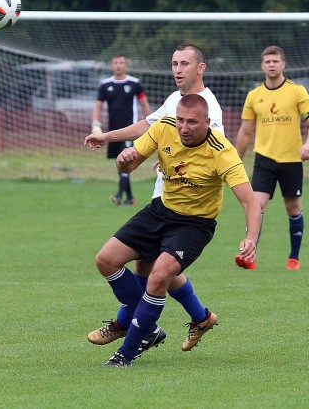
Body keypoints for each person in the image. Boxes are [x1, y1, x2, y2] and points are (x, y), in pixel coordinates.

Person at [92, 94, 262, 367]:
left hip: (194, 224)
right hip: (160, 211)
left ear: (207, 122)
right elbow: (129, 165)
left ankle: (126, 353)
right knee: (105, 260)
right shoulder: (164, 127)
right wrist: (123, 160)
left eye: (192, 122)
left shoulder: (222, 151)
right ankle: (146, 325)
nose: (183, 127)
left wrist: (251, 237)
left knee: (159, 276)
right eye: (180, 120)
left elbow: (250, 202)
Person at [85, 44, 224, 353]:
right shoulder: (176, 99)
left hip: (187, 203)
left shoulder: (209, 108)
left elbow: (210, 149)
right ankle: (198, 317)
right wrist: (108, 136)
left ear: (201, 68)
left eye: (184, 63)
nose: (178, 69)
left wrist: (173, 159)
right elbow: (149, 125)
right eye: (174, 63)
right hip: (163, 195)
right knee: (152, 269)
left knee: (154, 270)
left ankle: (131, 324)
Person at [235, 45, 309, 270]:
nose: (271, 65)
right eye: (268, 61)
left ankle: (294, 257)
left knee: (292, 208)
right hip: (264, 159)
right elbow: (245, 132)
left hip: (292, 159)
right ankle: (249, 256)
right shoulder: (254, 95)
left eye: (275, 61)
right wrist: (234, 161)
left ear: (283, 64)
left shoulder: (297, 91)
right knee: (256, 206)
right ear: (262, 65)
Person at [92, 54, 152, 205]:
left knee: (126, 159)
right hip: (112, 132)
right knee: (120, 162)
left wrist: (153, 125)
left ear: (126, 65)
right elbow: (98, 105)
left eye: (121, 63)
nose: (118, 65)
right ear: (111, 66)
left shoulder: (134, 83)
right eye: (116, 63)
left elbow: (144, 104)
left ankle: (118, 196)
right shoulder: (105, 85)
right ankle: (130, 198)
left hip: (130, 130)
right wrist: (95, 124)